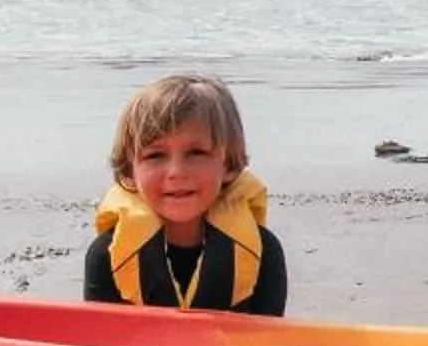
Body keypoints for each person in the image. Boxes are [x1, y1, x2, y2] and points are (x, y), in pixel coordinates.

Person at [83, 73, 289, 315]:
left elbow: (265, 345)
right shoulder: (106, 255)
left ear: (230, 164)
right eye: (155, 155)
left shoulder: (264, 252)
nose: (176, 172)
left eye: (196, 153)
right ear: (130, 172)